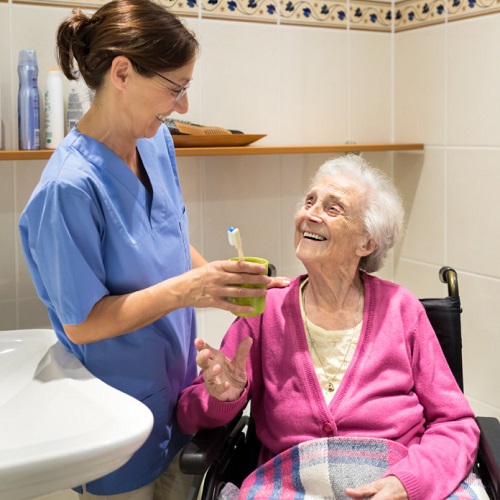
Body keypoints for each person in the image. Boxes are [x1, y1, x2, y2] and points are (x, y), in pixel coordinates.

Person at [18, 0, 288, 498]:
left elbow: (165, 235)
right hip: (115, 422)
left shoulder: (156, 143)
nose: (182, 106)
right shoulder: (68, 189)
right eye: (174, 88)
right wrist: (189, 291)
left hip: (183, 399)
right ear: (122, 72)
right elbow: (83, 322)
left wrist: (227, 286)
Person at [177, 154, 485, 499]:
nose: (310, 214)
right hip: (292, 484)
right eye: (309, 201)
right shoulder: (264, 311)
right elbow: (190, 414)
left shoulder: (402, 310)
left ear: (366, 242)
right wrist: (223, 396)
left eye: (332, 208)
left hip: (395, 477)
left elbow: (455, 424)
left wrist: (406, 484)